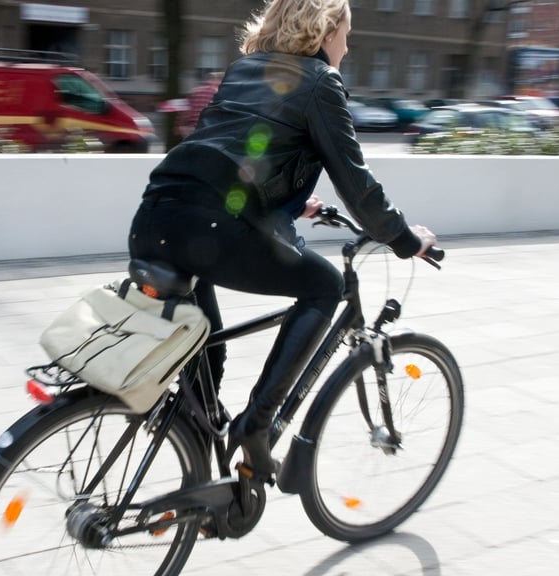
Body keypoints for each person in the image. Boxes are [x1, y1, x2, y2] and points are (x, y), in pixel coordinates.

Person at [129, 0, 436, 481]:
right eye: (346, 34)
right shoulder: (320, 82)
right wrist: (403, 237)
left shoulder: (244, 69)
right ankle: (256, 425)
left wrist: (293, 203)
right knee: (325, 286)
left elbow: (239, 153)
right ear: (325, 30)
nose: (348, 46)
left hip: (156, 217)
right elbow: (358, 186)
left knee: (206, 349)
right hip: (211, 228)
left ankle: (201, 476)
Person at [175, 71, 224, 139]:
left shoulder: (194, 91)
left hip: (190, 129)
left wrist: (179, 125)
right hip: (209, 128)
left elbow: (185, 111)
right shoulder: (218, 92)